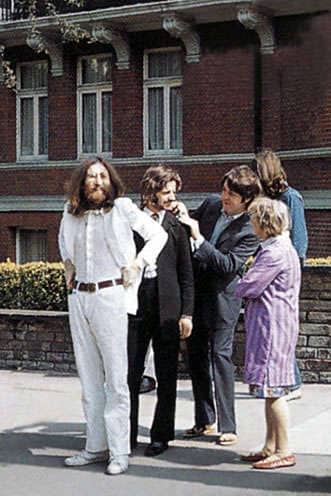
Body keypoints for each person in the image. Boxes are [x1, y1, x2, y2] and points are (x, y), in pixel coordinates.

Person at [58, 157, 167, 475]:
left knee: (117, 380)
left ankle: (119, 451)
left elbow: (157, 236)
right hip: (80, 297)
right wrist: (68, 265)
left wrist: (138, 263)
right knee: (89, 377)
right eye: (90, 176)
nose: (96, 181)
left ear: (111, 180)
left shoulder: (122, 208)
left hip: (112, 296)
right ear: (82, 182)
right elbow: (64, 244)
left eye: (102, 175)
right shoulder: (71, 211)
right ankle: (95, 446)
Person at [178, 165, 261, 445]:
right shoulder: (212, 205)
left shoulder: (250, 229)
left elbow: (228, 266)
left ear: (246, 200)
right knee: (196, 356)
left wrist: (199, 239)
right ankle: (204, 420)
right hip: (197, 295)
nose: (224, 198)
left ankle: (229, 426)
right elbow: (187, 222)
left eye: (231, 195)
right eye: (224, 191)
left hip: (223, 299)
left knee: (221, 358)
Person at [128, 164, 194, 457]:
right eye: (165, 192)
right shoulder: (130, 223)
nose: (170, 197)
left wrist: (187, 313)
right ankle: (125, 434)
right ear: (149, 192)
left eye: (173, 192)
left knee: (167, 375)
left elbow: (186, 273)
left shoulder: (176, 225)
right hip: (135, 305)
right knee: (130, 374)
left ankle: (160, 435)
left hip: (168, 306)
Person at [236, 197, 301, 469]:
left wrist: (240, 279)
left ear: (264, 222)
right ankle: (270, 445)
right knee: (269, 388)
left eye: (253, 218)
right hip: (274, 324)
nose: (250, 223)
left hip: (272, 326)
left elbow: (249, 286)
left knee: (274, 389)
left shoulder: (274, 253)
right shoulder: (279, 247)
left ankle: (284, 449)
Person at [253, 149, 308, 401]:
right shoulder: (265, 199)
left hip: (284, 271)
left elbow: (298, 241)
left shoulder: (291, 198)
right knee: (275, 331)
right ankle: (286, 381)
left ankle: (292, 382)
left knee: (282, 329)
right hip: (271, 266)